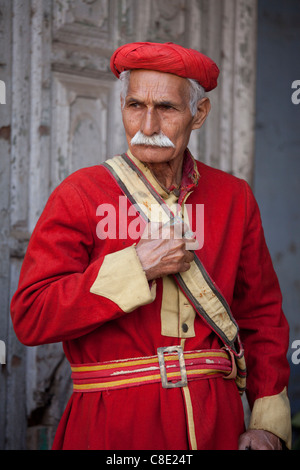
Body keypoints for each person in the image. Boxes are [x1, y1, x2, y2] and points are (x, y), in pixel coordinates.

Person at [11, 42, 291, 450]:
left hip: (217, 424)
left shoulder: (234, 197)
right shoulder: (80, 193)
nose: (148, 123)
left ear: (199, 114)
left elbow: (261, 315)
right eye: (135, 105)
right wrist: (136, 266)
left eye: (166, 108)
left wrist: (267, 421)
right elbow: (32, 316)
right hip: (113, 424)